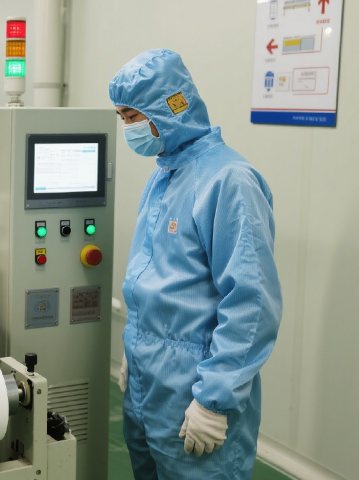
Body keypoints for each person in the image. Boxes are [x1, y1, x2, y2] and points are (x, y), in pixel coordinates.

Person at [109, 49, 282, 480]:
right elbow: (152, 280)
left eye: (133, 116)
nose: (128, 128)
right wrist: (135, 348)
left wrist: (214, 399)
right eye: (122, 117)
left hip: (194, 392)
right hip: (148, 387)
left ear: (170, 109)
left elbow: (251, 302)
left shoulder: (229, 181)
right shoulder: (163, 176)